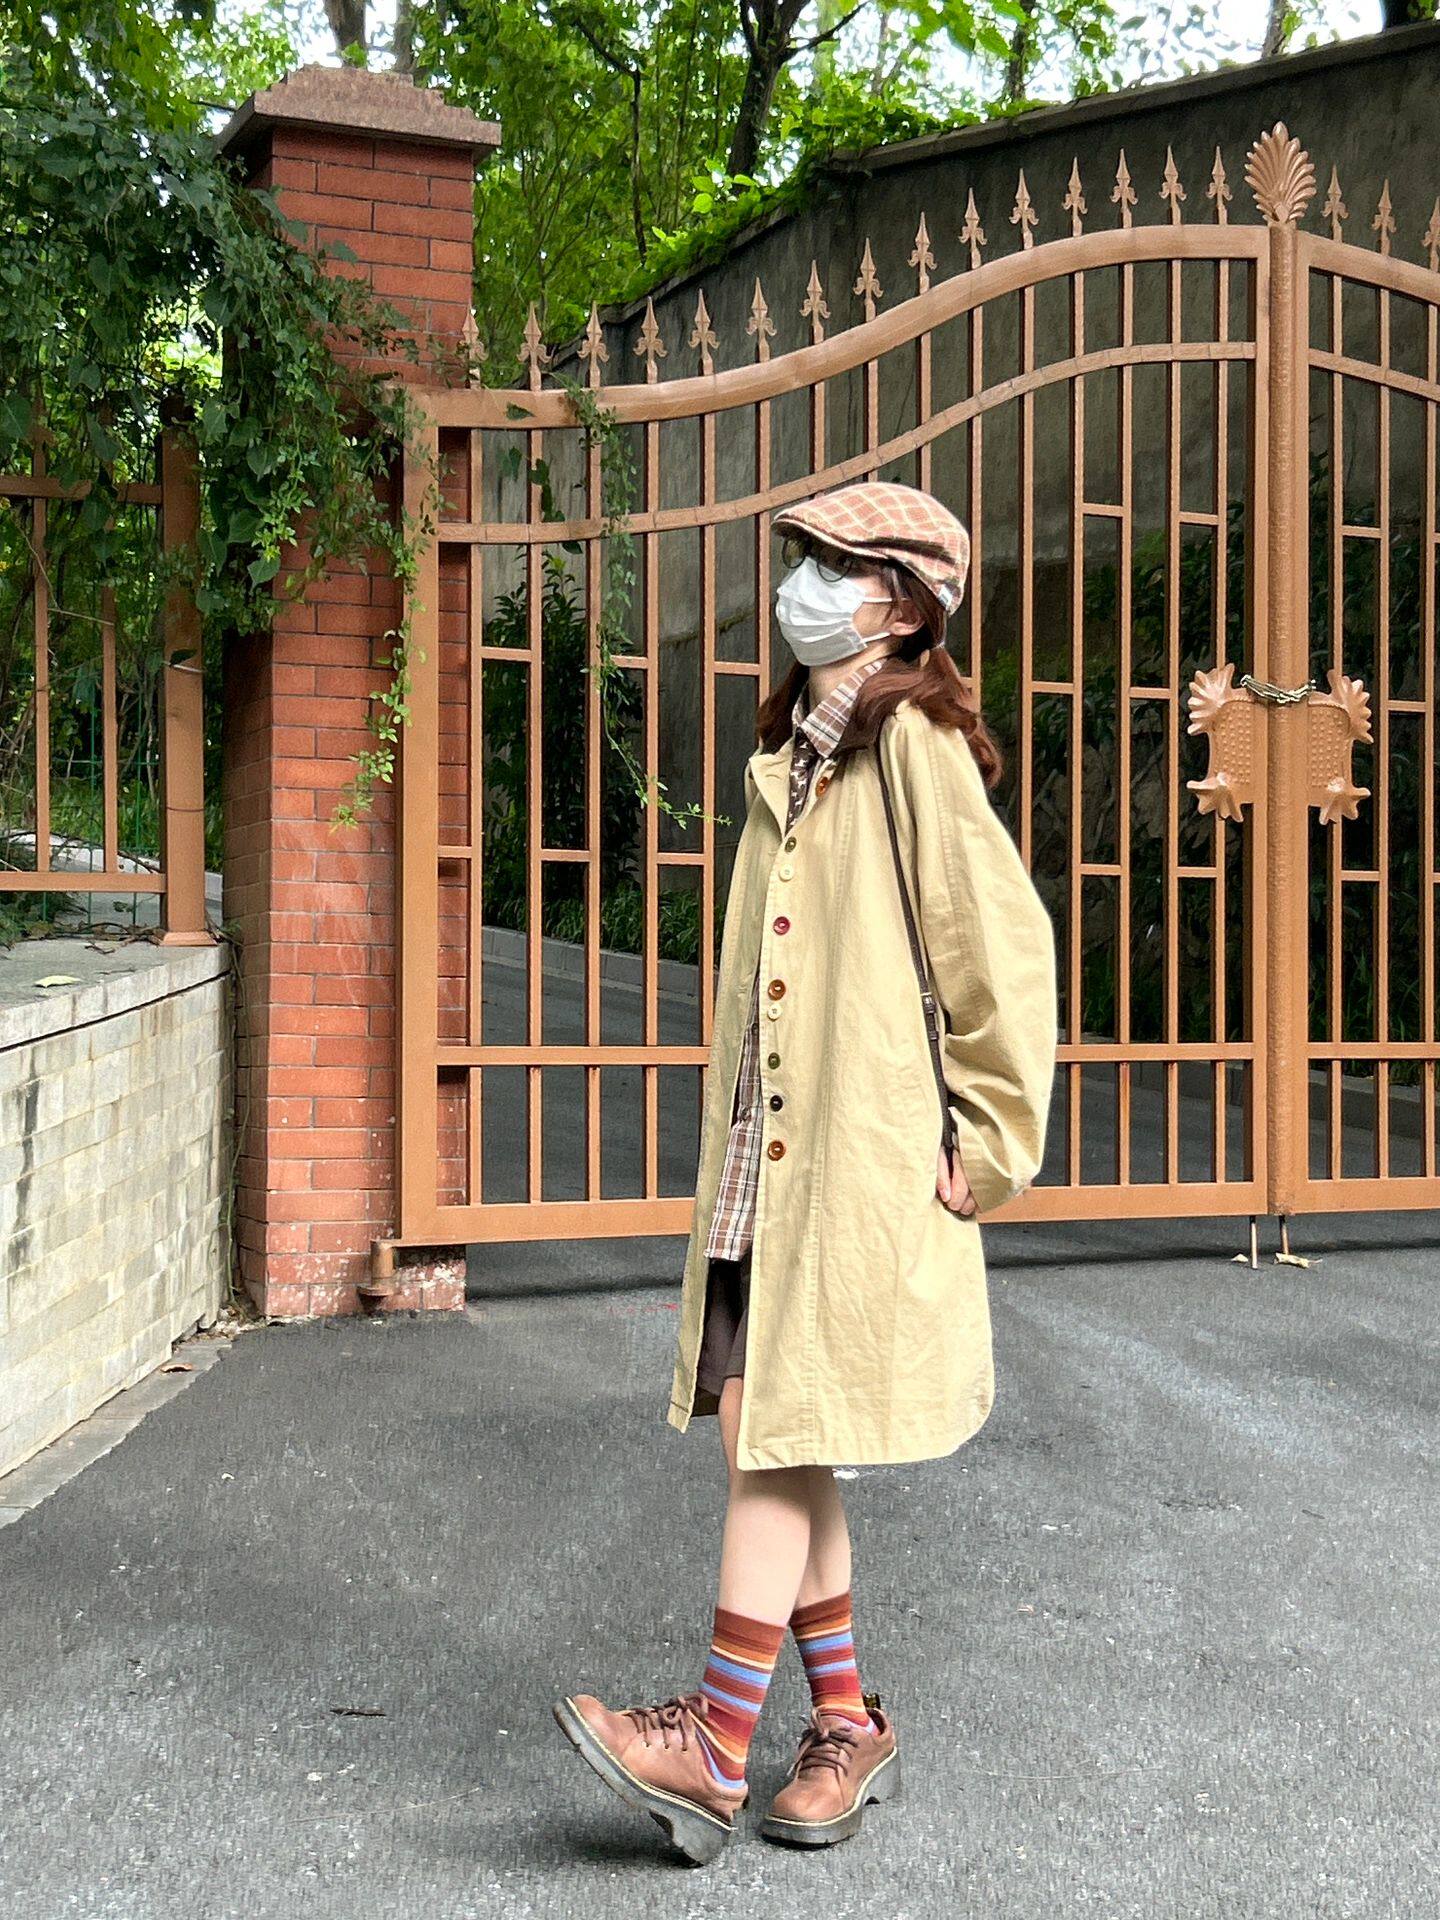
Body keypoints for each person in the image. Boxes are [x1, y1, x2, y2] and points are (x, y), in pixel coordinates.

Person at [553, 480, 1058, 1864]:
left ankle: (714, 1746)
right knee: (766, 1425)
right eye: (806, 559)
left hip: (852, 1165)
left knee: (775, 1431)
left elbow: (1003, 954)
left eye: (839, 565)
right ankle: (847, 1721)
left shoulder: (913, 752)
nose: (806, 585)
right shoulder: (801, 759)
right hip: (763, 1163)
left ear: (902, 608)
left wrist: (992, 1145)